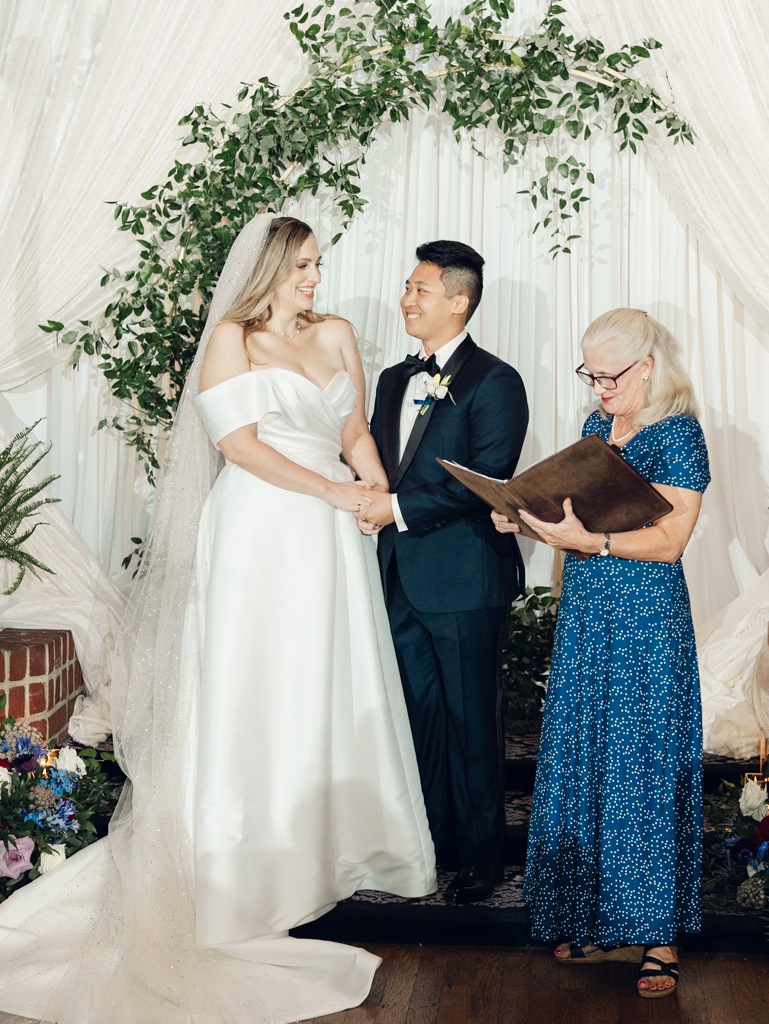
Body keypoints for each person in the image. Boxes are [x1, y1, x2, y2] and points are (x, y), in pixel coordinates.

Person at [0, 215, 436, 1024]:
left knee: (321, 687)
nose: (314, 278)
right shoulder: (232, 341)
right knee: (251, 691)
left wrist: (371, 491)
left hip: (331, 536)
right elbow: (238, 445)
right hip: (262, 528)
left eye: (317, 264)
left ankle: (309, 861)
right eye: (302, 265)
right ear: (268, 267)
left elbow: (350, 429)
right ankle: (234, 875)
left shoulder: (337, 332)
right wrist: (334, 491)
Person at [492, 309, 709, 999]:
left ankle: (656, 937)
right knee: (587, 754)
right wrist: (524, 517)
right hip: (588, 613)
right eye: (590, 373)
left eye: (609, 374)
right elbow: (574, 521)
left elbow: (671, 542)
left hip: (645, 620)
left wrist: (594, 545)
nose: (598, 387)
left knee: (640, 762)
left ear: (647, 366)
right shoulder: (596, 429)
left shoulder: (679, 434)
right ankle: (590, 914)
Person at [358, 240, 529, 903]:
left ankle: (484, 858)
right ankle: (429, 845)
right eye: (407, 287)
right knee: (417, 717)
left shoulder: (495, 381)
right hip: (397, 573)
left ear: (458, 301)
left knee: (469, 721)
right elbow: (375, 463)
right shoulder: (393, 379)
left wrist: (393, 507)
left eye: (420, 290)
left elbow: (483, 482)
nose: (406, 299)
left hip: (462, 579)